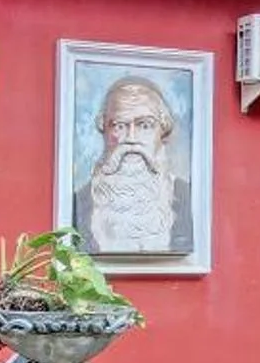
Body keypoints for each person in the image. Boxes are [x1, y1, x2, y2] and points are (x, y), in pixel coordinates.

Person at [72, 74, 195, 258]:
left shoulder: (186, 196)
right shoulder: (80, 201)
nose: (131, 138)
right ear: (104, 129)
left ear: (162, 131)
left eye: (144, 125)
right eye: (119, 125)